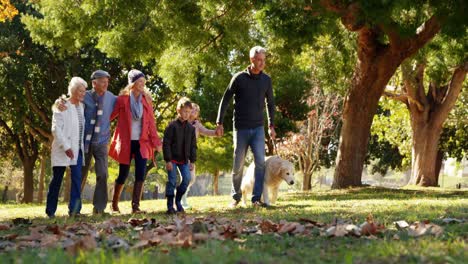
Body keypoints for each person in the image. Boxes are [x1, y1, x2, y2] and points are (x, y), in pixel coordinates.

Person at [215, 46, 276, 208]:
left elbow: (270, 104)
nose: (262, 63)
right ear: (252, 60)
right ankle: (235, 197)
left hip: (258, 128)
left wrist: (271, 125)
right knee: (238, 164)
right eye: (259, 60)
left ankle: (256, 199)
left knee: (260, 163)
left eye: (264, 60)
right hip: (241, 128)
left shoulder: (266, 80)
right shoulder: (239, 78)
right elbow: (225, 99)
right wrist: (219, 122)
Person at [109, 69, 162, 214]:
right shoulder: (122, 100)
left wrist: (156, 142)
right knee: (123, 174)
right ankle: (114, 204)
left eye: (143, 82)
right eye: (139, 81)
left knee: (141, 172)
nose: (142, 84)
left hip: (142, 142)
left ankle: (135, 206)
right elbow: (110, 116)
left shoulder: (146, 100)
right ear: (132, 83)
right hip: (126, 141)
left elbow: (151, 123)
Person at [46, 77, 87, 218]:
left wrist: (76, 148)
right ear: (73, 91)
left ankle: (75, 210)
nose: (83, 94)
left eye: (84, 91)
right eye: (80, 91)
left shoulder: (81, 106)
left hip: (77, 149)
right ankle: (50, 211)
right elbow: (56, 129)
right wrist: (66, 147)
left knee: (76, 179)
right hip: (62, 148)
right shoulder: (62, 104)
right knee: (57, 179)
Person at [163, 97, 197, 214]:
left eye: (189, 112)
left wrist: (192, 160)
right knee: (172, 180)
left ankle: (178, 201)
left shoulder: (191, 129)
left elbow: (193, 146)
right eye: (184, 111)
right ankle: (170, 206)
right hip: (172, 158)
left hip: (184, 160)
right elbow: (166, 143)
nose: (187, 114)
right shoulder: (171, 126)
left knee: (187, 179)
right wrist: (168, 160)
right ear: (178, 111)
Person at [180, 102, 217, 209]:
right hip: (180, 154)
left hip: (191, 155)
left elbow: (206, 131)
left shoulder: (197, 124)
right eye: (193, 109)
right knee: (187, 178)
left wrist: (216, 132)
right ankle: (182, 201)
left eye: (197, 110)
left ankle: (180, 196)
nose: (194, 111)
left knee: (191, 179)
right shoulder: (182, 122)